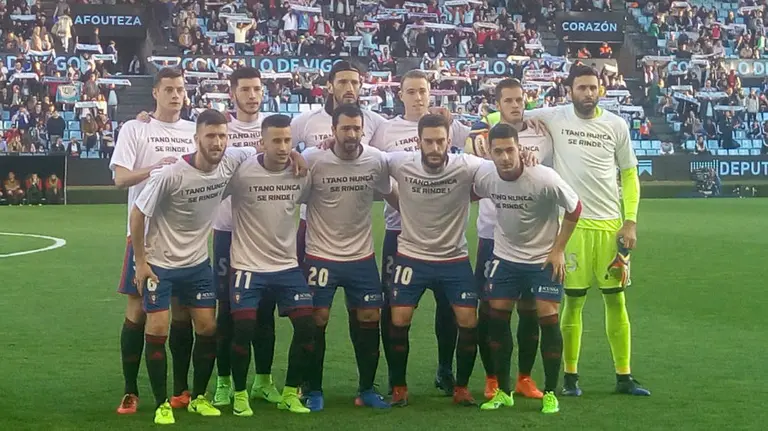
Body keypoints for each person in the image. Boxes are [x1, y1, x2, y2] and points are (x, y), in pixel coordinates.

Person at [526, 65, 650, 396]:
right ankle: (570, 378)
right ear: (570, 90)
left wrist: (630, 220)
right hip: (572, 228)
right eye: (581, 87)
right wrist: (475, 126)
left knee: (616, 301)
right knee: (573, 301)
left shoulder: (616, 125)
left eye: (593, 87)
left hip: (610, 228)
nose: (588, 93)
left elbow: (629, 174)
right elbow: (509, 115)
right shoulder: (554, 117)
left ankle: (624, 376)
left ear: (601, 91)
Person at [129, 109, 256, 424]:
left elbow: (262, 148)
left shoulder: (230, 160)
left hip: (198, 264)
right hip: (161, 264)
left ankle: (198, 397)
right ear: (197, 138)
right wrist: (141, 262)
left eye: (222, 136)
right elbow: (138, 213)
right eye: (210, 136)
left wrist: (295, 154)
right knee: (157, 328)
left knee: (208, 328)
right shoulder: (170, 174)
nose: (217, 142)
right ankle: (162, 404)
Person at [369, 69, 471, 395]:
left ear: (430, 92)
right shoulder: (384, 130)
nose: (417, 97)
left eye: (422, 91)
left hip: (443, 235)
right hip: (399, 230)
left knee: (448, 307)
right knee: (394, 307)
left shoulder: (448, 125)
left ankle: (445, 369)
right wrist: (403, 205)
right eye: (410, 91)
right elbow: (368, 162)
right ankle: (394, 377)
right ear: (400, 94)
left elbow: (480, 142)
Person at [472, 123, 581, 414]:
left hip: (542, 258)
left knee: (548, 317)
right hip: (505, 257)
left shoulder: (543, 177)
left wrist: (558, 250)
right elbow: (467, 192)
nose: (505, 157)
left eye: (510, 150)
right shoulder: (486, 177)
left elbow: (575, 208)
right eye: (498, 151)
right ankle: (503, 391)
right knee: (497, 318)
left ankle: (550, 393)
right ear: (490, 152)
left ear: (519, 149)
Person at [110, 68, 198, 415]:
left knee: (182, 312)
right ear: (155, 93)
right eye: (169, 89)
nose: (176, 95)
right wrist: (156, 168)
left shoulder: (194, 131)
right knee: (137, 311)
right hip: (143, 237)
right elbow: (120, 179)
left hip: (184, 238)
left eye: (180, 89)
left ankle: (181, 389)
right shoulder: (136, 128)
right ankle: (130, 391)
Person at [301, 104, 399, 411]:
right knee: (318, 318)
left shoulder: (376, 160)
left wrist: (417, 216)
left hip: (361, 256)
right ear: (333, 130)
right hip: (321, 254)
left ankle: (366, 389)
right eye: (345, 128)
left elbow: (391, 194)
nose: (352, 134)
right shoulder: (313, 159)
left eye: (357, 128)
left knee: (369, 317)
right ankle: (312, 389)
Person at [386, 114, 482, 407]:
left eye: (440, 141)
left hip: (454, 257)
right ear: (419, 142)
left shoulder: (467, 165)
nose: (435, 147)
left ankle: (461, 387)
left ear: (449, 141)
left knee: (468, 320)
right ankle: (399, 387)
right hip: (412, 256)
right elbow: (364, 158)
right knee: (399, 319)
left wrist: (525, 156)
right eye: (428, 141)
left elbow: (504, 165)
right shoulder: (400, 162)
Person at [226, 114, 315, 416]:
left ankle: (290, 393)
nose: (283, 147)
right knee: (244, 328)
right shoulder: (241, 172)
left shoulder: (300, 173)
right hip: (247, 265)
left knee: (307, 325)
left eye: (288, 140)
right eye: (276, 141)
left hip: (286, 266)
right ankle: (240, 394)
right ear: (261, 143)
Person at [469, 78, 552, 400]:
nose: (516, 105)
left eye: (520, 100)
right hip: (492, 235)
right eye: (508, 100)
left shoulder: (542, 134)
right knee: (490, 309)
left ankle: (524, 378)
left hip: (532, 239)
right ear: (497, 104)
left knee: (529, 309)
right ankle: (493, 377)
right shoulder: (482, 137)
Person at [206, 67, 283, 408]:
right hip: (227, 232)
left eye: (257, 89)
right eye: (246, 89)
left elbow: (295, 153)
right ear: (232, 92)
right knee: (227, 311)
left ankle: (263, 380)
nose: (252, 95)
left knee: (265, 311)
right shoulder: (222, 129)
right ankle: (224, 382)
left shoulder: (274, 127)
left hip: (265, 234)